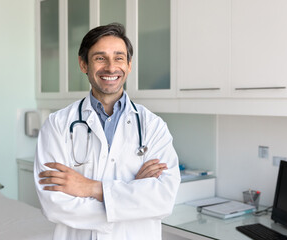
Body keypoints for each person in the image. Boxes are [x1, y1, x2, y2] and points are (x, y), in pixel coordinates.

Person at [34, 23, 180, 240]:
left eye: (119, 58)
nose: (111, 68)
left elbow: (163, 200)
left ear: (129, 65)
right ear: (83, 64)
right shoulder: (58, 124)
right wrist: (133, 195)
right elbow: (55, 205)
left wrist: (92, 188)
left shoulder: (152, 126)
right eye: (100, 58)